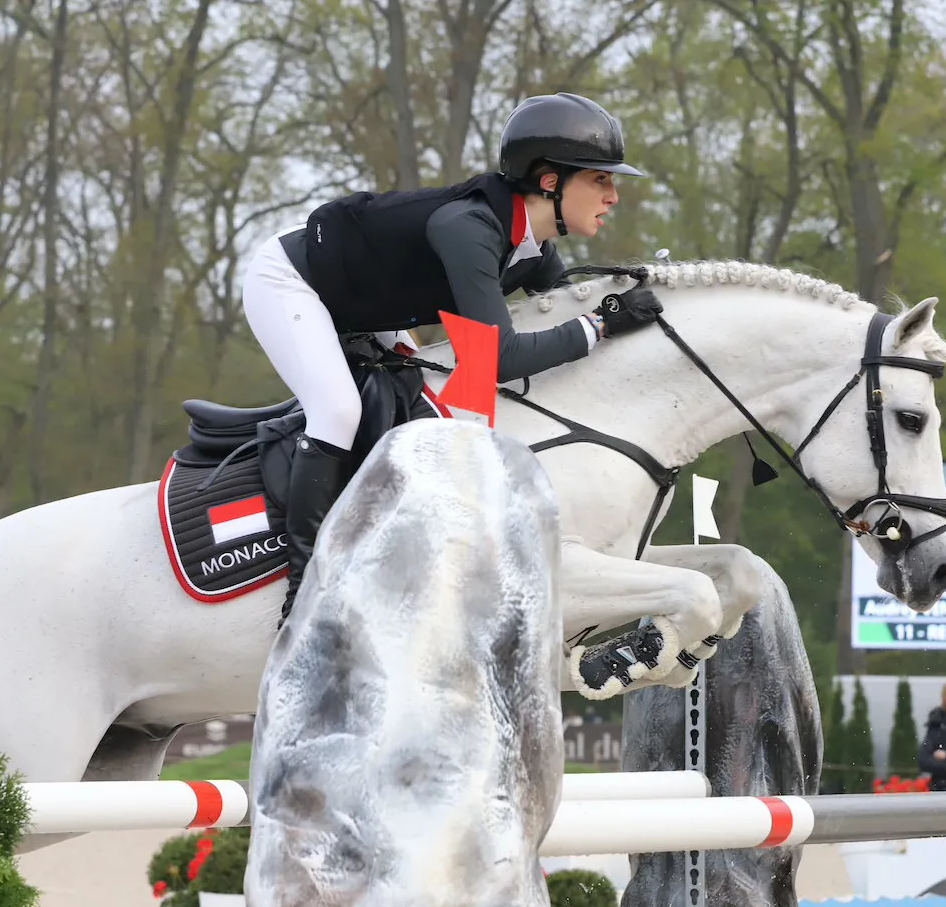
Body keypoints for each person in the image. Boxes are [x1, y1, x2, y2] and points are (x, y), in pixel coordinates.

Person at [239, 92, 667, 625]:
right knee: (339, 411)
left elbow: (566, 311)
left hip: (366, 301)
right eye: (600, 179)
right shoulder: (470, 229)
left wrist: (632, 302)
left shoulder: (532, 248)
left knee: (427, 401)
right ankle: (304, 596)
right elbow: (498, 360)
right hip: (293, 282)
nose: (613, 196)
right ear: (549, 180)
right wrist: (600, 324)